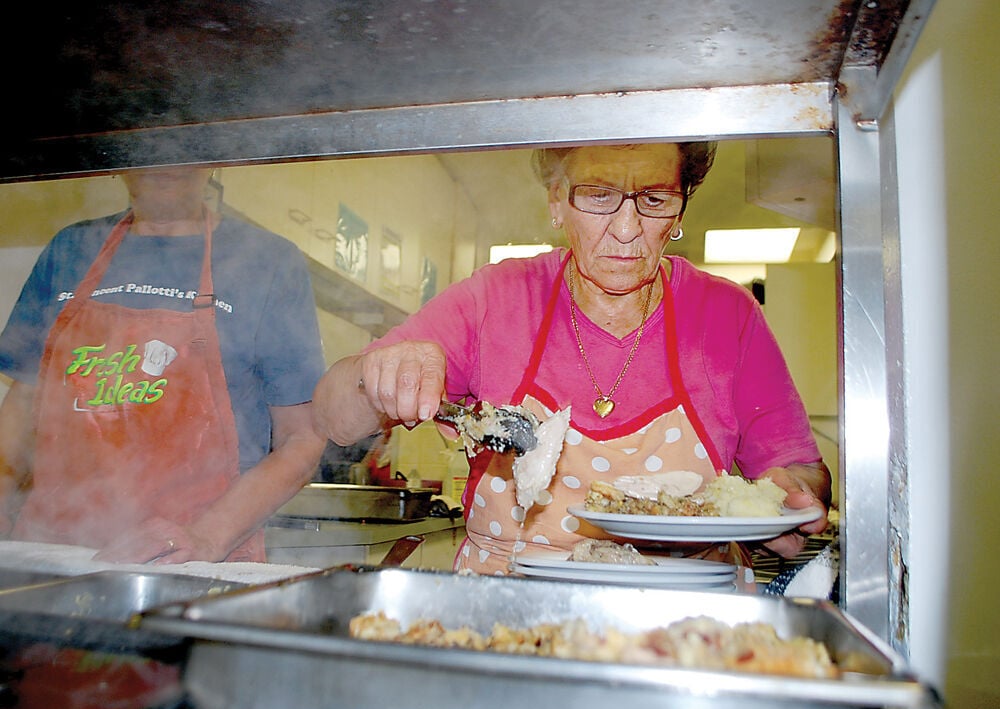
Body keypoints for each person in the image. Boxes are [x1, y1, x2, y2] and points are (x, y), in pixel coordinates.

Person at [312, 142, 831, 578]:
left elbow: (801, 473)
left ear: (680, 209)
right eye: (599, 196)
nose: (627, 229)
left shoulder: (726, 315)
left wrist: (788, 499)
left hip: (682, 626)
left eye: (653, 199)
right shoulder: (497, 299)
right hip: (511, 625)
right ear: (556, 201)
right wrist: (374, 376)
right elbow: (333, 416)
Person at [0, 166, 327, 564]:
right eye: (151, 142)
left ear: (213, 161)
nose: (168, 164)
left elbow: (303, 439)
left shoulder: (270, 263)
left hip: (191, 561)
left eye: (186, 146)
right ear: (119, 157)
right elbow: (20, 404)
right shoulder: (69, 248)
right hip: (52, 550)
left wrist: (204, 538)